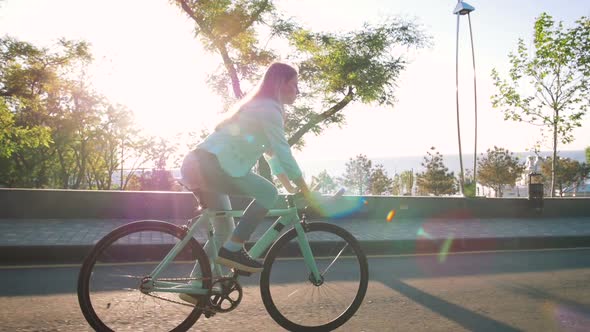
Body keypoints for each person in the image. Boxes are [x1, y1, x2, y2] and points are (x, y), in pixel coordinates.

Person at [179, 62, 312, 279]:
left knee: (224, 232)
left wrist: (290, 187)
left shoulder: (259, 106)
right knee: (268, 193)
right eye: (295, 85)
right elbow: (284, 152)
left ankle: (198, 286)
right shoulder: (270, 109)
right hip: (210, 166)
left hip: (197, 163)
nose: (298, 91)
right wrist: (306, 190)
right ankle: (234, 251)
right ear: (281, 84)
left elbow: (273, 156)